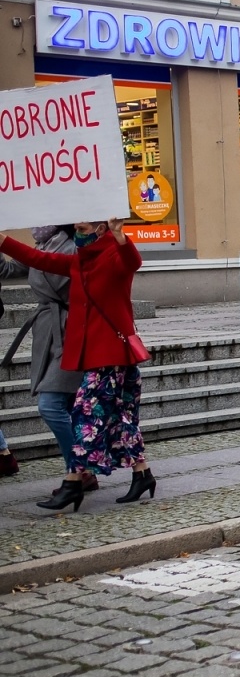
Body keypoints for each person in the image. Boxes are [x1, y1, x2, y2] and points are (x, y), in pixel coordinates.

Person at [1, 218, 155, 510]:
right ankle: (142, 473)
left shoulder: (113, 256)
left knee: (87, 418)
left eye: (83, 231)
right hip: (97, 354)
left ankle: (74, 480)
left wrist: (120, 235)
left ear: (100, 230)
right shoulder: (80, 262)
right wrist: (3, 242)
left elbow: (132, 262)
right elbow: (38, 258)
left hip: (112, 354)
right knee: (122, 418)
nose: (78, 236)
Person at [0, 226, 82, 477]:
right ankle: (81, 471)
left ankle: (79, 469)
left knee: (51, 405)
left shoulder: (74, 248)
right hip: (47, 331)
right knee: (67, 406)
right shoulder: (42, 247)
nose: (35, 227)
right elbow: (8, 270)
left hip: (73, 331)